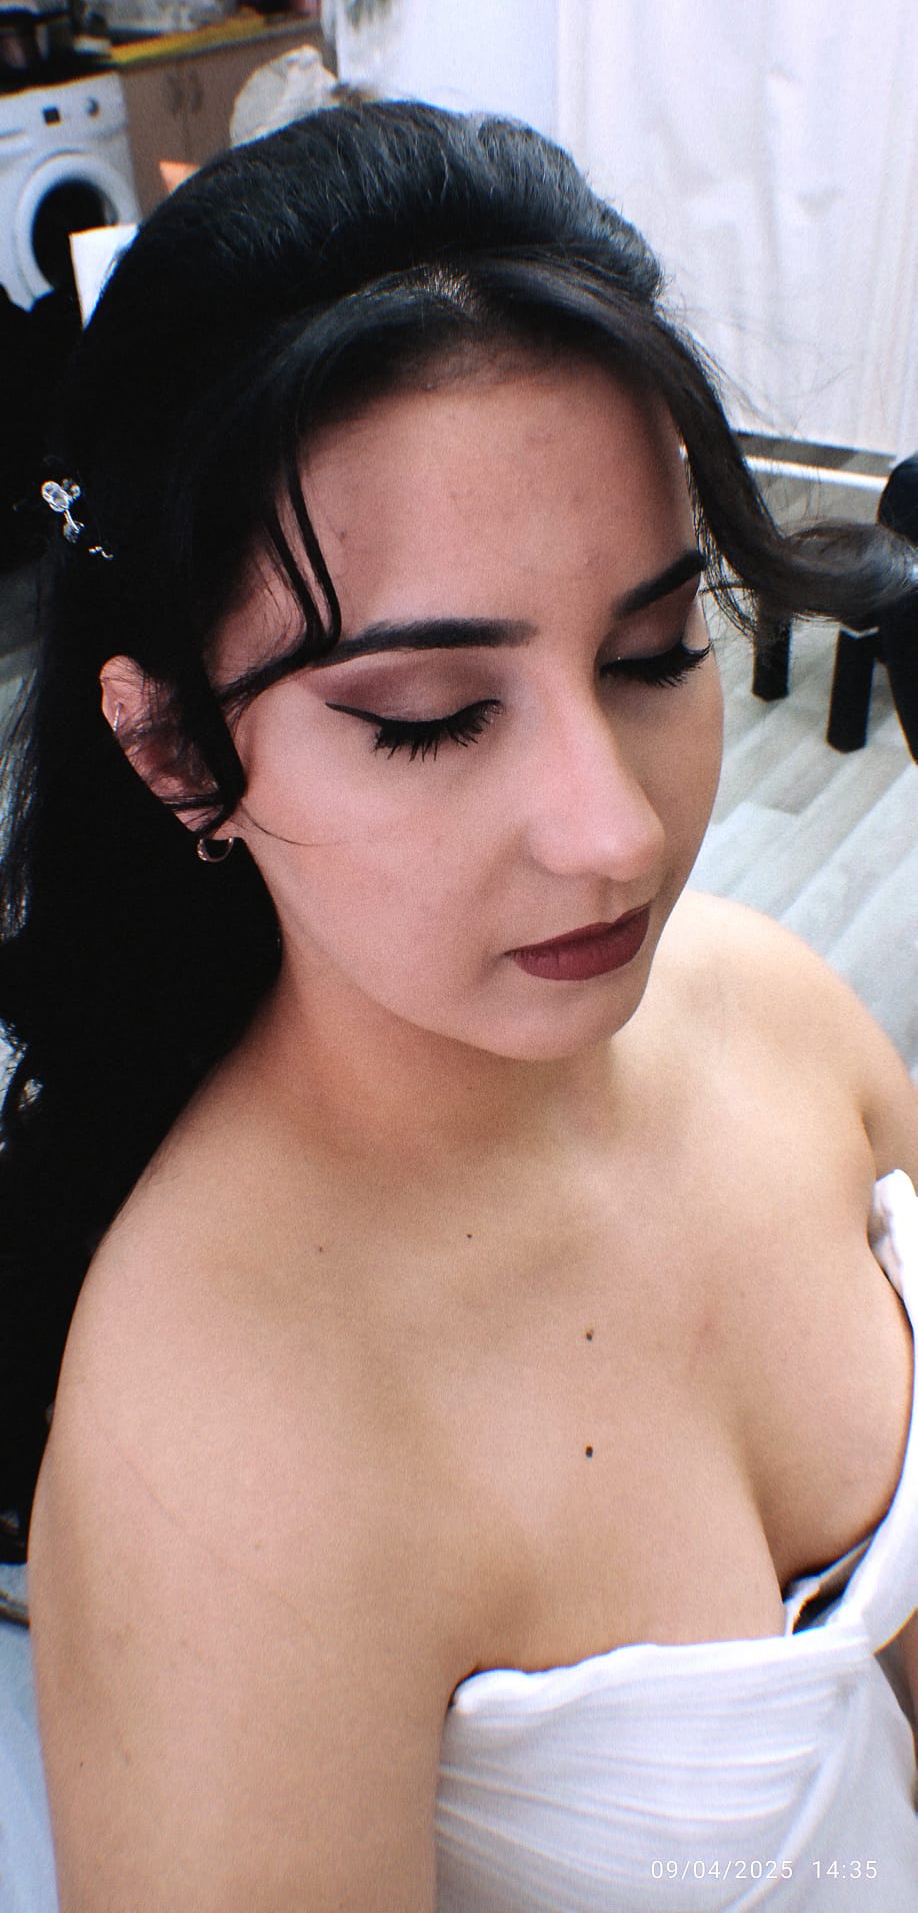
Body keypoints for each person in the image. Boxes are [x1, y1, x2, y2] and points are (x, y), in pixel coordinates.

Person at [1, 100, 917, 1911]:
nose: (613, 831)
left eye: (652, 653)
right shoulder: (223, 1463)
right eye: (430, 719)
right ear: (174, 750)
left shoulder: (785, 1020)